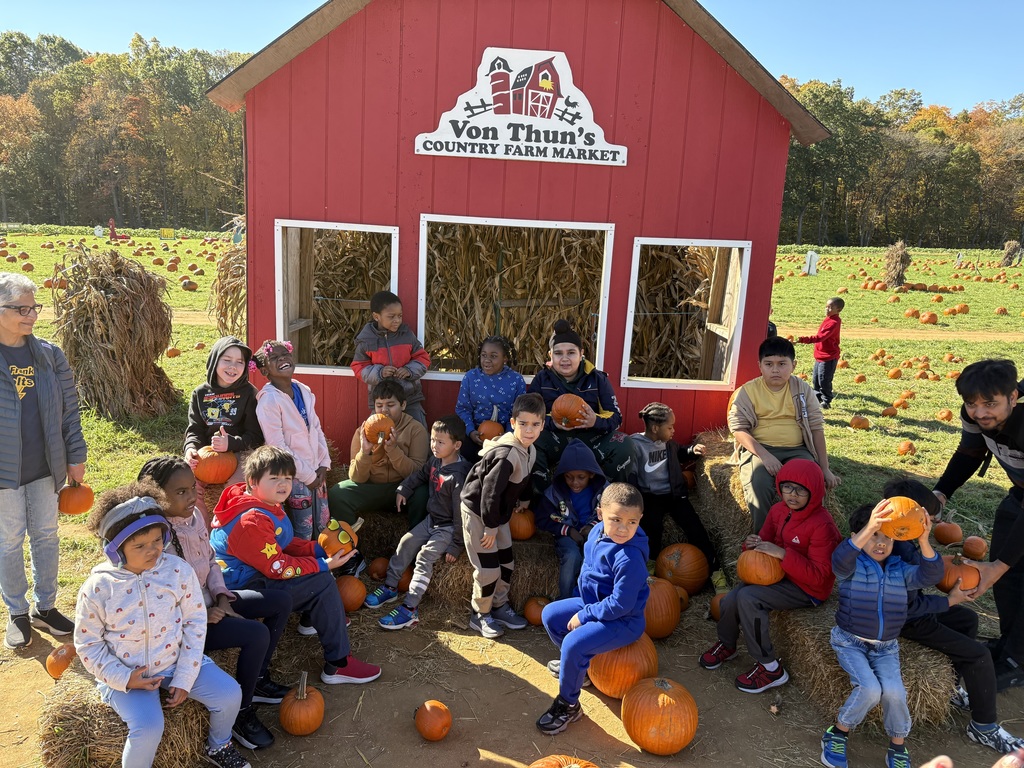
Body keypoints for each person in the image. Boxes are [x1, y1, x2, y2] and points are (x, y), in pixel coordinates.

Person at [76, 482, 249, 768]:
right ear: (115, 550)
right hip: (128, 676)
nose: (153, 550)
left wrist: (185, 676)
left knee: (230, 694)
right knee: (148, 728)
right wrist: (124, 678)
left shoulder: (178, 570)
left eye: (158, 540)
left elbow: (195, 623)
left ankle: (219, 745)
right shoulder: (98, 588)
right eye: (140, 546)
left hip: (173, 661)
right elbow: (88, 644)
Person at [138, 456, 292, 751]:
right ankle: (241, 712)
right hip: (187, 626)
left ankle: (258, 679)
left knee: (280, 601)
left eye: (191, 488)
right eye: (180, 492)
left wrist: (223, 597)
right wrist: (203, 613)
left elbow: (210, 561)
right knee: (256, 634)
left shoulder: (195, 516)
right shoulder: (154, 540)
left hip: (214, 602)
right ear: (156, 496)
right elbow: (157, 600)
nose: (191, 496)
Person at [210, 446, 381, 687]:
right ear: (252, 481)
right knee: (322, 580)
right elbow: (277, 567)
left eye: (288, 478)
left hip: (254, 573)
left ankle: (315, 616)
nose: (283, 484)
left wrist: (319, 549)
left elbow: (282, 543)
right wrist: (323, 564)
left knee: (318, 574)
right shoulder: (251, 521)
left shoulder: (263, 502)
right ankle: (339, 663)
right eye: (275, 478)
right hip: (238, 589)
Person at [883, 478, 1024, 755]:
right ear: (913, 517)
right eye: (930, 519)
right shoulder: (900, 554)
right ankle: (984, 727)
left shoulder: (898, 538)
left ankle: (948, 689)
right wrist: (947, 601)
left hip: (908, 609)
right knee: (978, 655)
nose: (934, 524)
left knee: (967, 620)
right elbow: (909, 607)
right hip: (902, 619)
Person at [699, 459, 841, 693]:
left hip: (807, 589)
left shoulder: (822, 525)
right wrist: (751, 544)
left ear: (814, 492)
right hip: (779, 574)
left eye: (800, 490)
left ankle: (771, 667)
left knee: (749, 598)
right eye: (787, 487)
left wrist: (783, 554)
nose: (792, 494)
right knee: (731, 598)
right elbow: (764, 541)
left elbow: (820, 576)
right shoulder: (778, 511)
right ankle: (727, 644)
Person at [820, 499, 943, 768]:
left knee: (896, 693)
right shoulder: (851, 566)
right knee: (870, 690)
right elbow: (839, 560)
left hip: (886, 647)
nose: (880, 543)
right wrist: (871, 526)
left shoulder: (900, 570)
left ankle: (897, 746)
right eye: (873, 535)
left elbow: (930, 576)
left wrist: (924, 540)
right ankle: (838, 732)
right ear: (858, 536)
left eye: (887, 537)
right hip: (850, 642)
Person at [0, 272, 87, 650]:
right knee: (9, 540)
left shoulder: (50, 355)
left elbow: (70, 411)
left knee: (47, 535)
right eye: (22, 308)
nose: (32, 314)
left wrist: (76, 455)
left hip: (44, 466)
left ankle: (45, 607)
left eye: (34, 307)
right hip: (4, 472)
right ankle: (17, 611)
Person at [933, 359, 1024, 691]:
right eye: (972, 404)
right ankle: (1010, 645)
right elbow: (970, 453)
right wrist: (941, 493)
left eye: (990, 404)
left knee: (1004, 568)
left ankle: (1017, 661)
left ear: (1012, 398)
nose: (980, 412)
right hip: (1020, 495)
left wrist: (997, 567)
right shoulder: (974, 414)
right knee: (1009, 576)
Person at [537, 483, 649, 735]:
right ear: (600, 514)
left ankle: (569, 706)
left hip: (623, 621)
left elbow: (621, 604)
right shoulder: (597, 532)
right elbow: (589, 572)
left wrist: (584, 615)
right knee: (550, 615)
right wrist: (584, 606)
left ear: (640, 519)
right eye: (616, 520)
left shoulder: (629, 558)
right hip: (595, 603)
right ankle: (581, 671)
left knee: (573, 644)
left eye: (632, 522)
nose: (623, 528)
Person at [363, 415, 469, 629]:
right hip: (432, 520)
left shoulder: (459, 475)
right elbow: (420, 475)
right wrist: (404, 488)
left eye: (440, 442)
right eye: (432, 440)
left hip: (447, 528)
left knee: (423, 557)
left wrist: (456, 544)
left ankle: (410, 608)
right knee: (406, 542)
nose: (434, 445)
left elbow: (462, 514)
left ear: (456, 445)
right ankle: (391, 587)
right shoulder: (435, 461)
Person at [728, 336, 840, 533]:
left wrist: (824, 468)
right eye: (768, 364)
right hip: (760, 449)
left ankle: (804, 533)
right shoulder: (748, 391)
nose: (775, 370)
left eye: (782, 364)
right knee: (758, 482)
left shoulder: (802, 389)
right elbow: (738, 428)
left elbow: (816, 428)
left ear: (793, 365)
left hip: (797, 449)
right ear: (759, 366)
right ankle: (764, 536)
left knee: (811, 480)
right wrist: (765, 456)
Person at [461, 392, 545, 638]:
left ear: (542, 424)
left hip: (498, 514)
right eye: (523, 423)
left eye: (535, 424)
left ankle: (499, 605)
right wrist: (490, 527)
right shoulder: (506, 454)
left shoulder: (529, 449)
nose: (528, 430)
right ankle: (480, 614)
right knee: (488, 569)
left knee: (506, 562)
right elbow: (490, 493)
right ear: (512, 422)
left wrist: (525, 497)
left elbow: (525, 475)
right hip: (480, 512)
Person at [527, 319, 634, 489]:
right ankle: (543, 496)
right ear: (550, 355)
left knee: (625, 444)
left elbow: (616, 418)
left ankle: (611, 496)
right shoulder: (542, 379)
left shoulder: (597, 378)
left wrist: (595, 421)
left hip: (591, 437)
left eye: (571, 353)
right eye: (558, 353)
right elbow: (529, 414)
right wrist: (552, 423)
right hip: (555, 438)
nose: (565, 359)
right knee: (528, 442)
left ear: (581, 353)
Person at [328, 379, 430, 540]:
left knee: (423, 491)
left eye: (391, 405)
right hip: (372, 488)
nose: (384, 410)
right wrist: (365, 452)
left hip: (403, 488)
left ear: (403, 405)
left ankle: (415, 542)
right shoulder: (363, 431)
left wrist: (393, 450)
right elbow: (356, 478)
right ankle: (349, 544)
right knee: (337, 493)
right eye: (379, 405)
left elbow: (417, 472)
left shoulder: (416, 430)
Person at [252, 340, 330, 543]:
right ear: (264, 371)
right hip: (294, 475)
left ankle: (323, 559)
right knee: (303, 529)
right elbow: (278, 446)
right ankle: (303, 562)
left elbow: (316, 428)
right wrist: (307, 475)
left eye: (285, 354)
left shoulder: (303, 390)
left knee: (323, 524)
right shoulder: (269, 401)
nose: (282, 359)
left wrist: (324, 463)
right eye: (274, 358)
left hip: (317, 469)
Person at [184, 336, 264, 527]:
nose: (233, 367)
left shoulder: (249, 393)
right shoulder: (200, 393)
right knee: (187, 488)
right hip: (207, 454)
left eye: (239, 362)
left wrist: (231, 443)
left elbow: (256, 436)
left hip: (240, 453)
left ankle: (231, 532)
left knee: (236, 489)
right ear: (214, 360)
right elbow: (195, 429)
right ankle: (203, 534)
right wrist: (191, 448)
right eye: (227, 360)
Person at [631, 402, 718, 572]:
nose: (673, 431)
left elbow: (680, 452)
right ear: (655, 428)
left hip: (675, 494)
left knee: (695, 528)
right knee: (652, 529)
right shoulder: (635, 444)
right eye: (670, 427)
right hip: (651, 496)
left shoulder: (668, 443)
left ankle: (714, 569)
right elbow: (631, 474)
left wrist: (692, 450)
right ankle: (650, 566)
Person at [535, 439, 607, 599]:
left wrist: (592, 527)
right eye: (569, 477)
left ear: (591, 474)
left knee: (596, 556)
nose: (575, 483)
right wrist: (568, 531)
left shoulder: (603, 491)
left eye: (581, 477)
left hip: (594, 533)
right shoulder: (555, 493)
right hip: (566, 534)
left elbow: (611, 514)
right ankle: (566, 599)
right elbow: (541, 519)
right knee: (572, 556)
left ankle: (592, 599)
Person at [351, 290, 430, 427]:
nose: (397, 320)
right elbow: (359, 367)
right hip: (381, 402)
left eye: (400, 316)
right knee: (375, 433)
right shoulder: (366, 340)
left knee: (419, 432)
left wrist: (409, 370)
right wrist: (380, 372)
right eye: (391, 316)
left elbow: (423, 358)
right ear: (376, 316)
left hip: (410, 399)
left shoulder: (407, 335)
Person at [455, 335, 526, 463]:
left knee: (505, 460)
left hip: (506, 436)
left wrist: (508, 435)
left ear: (505, 358)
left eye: (493, 356)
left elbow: (519, 412)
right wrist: (471, 431)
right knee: (466, 453)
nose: (487, 360)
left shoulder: (516, 380)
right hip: (475, 434)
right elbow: (463, 409)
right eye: (484, 355)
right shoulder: (471, 377)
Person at [797, 297, 844, 409]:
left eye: (830, 307)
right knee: (816, 379)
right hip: (820, 355)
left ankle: (826, 401)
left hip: (829, 356)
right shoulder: (828, 319)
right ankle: (816, 398)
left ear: (838, 310)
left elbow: (820, 337)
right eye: (826, 306)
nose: (827, 309)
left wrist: (802, 339)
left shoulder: (834, 322)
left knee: (824, 380)